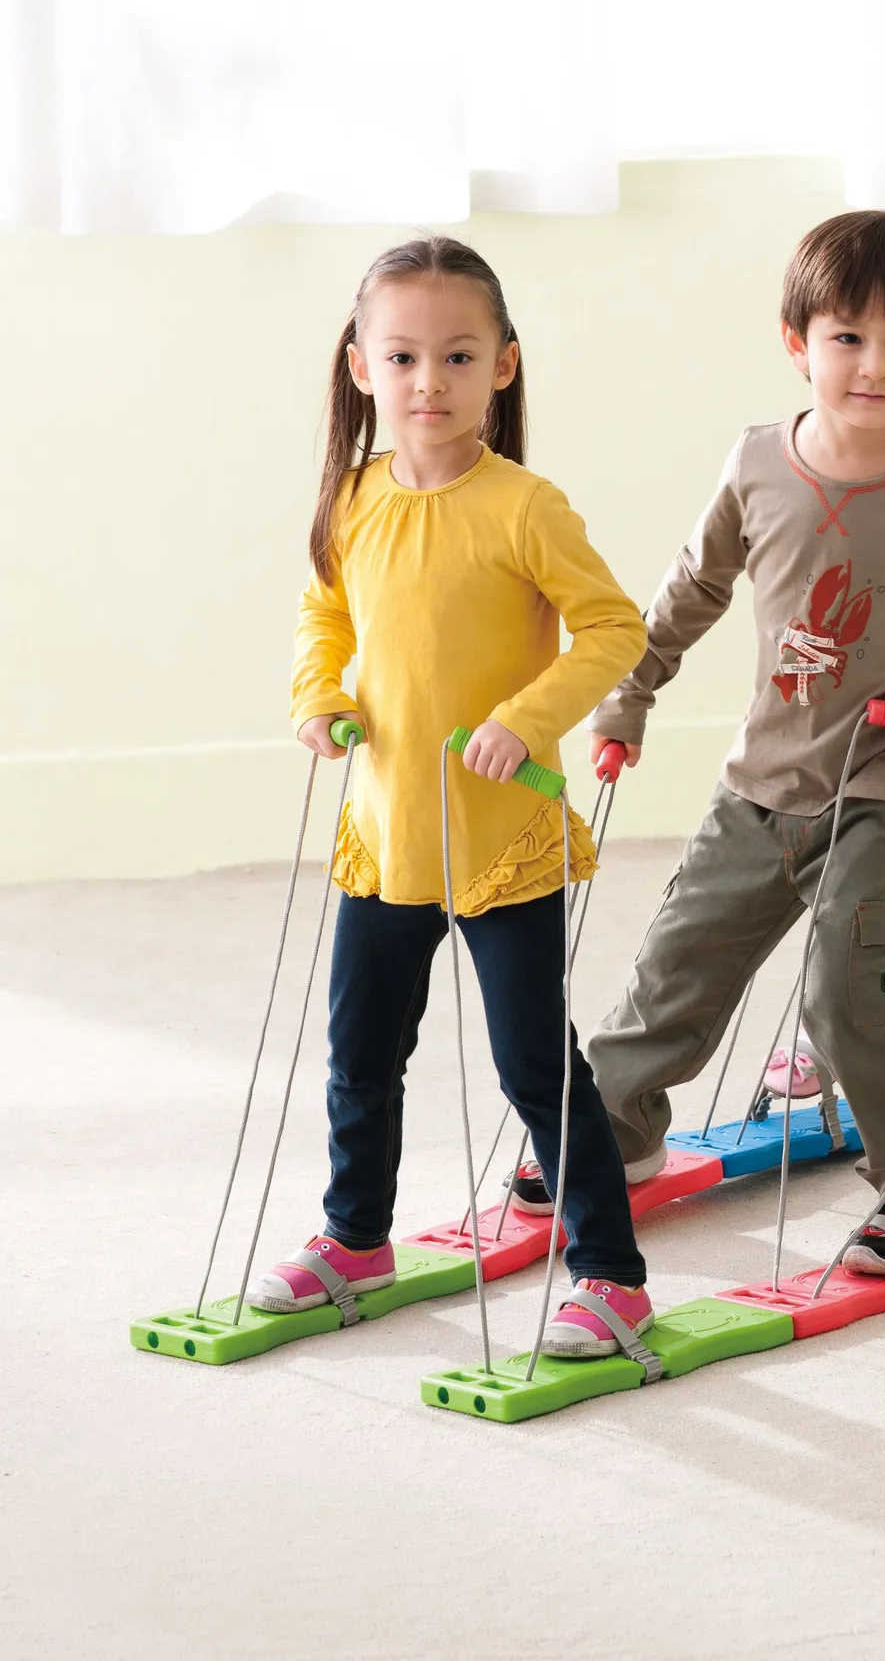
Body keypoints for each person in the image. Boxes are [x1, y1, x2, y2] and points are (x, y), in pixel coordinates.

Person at [579, 211, 885, 1279]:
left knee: (846, 994)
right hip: (764, 778)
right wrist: (630, 695)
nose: (875, 365)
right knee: (674, 968)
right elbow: (693, 588)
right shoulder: (758, 460)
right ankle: (618, 1127)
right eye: (848, 337)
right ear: (797, 342)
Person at [247, 236, 658, 1363]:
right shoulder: (352, 499)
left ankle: (611, 1277)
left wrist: (525, 717)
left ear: (503, 366)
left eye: (459, 356)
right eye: (403, 356)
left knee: (535, 1067)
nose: (429, 381)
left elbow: (613, 628)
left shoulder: (524, 506)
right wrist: (319, 696)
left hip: (498, 837)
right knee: (360, 1055)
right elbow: (324, 615)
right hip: (386, 834)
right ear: (361, 366)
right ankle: (354, 1241)